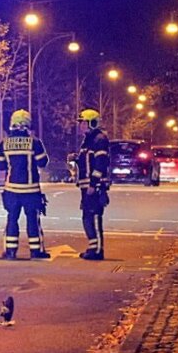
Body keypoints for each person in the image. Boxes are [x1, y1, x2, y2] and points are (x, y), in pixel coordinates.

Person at [0, 109, 50, 260]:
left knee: (12, 219)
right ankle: (35, 251)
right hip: (31, 189)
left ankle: (10, 251)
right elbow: (43, 162)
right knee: (33, 220)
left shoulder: (4, 144)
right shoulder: (35, 143)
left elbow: (0, 166)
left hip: (11, 189)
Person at [75, 108, 111, 260]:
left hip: (94, 187)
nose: (80, 125)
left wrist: (93, 184)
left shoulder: (99, 139)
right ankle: (92, 247)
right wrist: (76, 158)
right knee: (87, 216)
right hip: (86, 186)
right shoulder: (88, 140)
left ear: (92, 123)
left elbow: (101, 163)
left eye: (83, 122)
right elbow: (88, 161)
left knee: (94, 216)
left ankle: (97, 250)